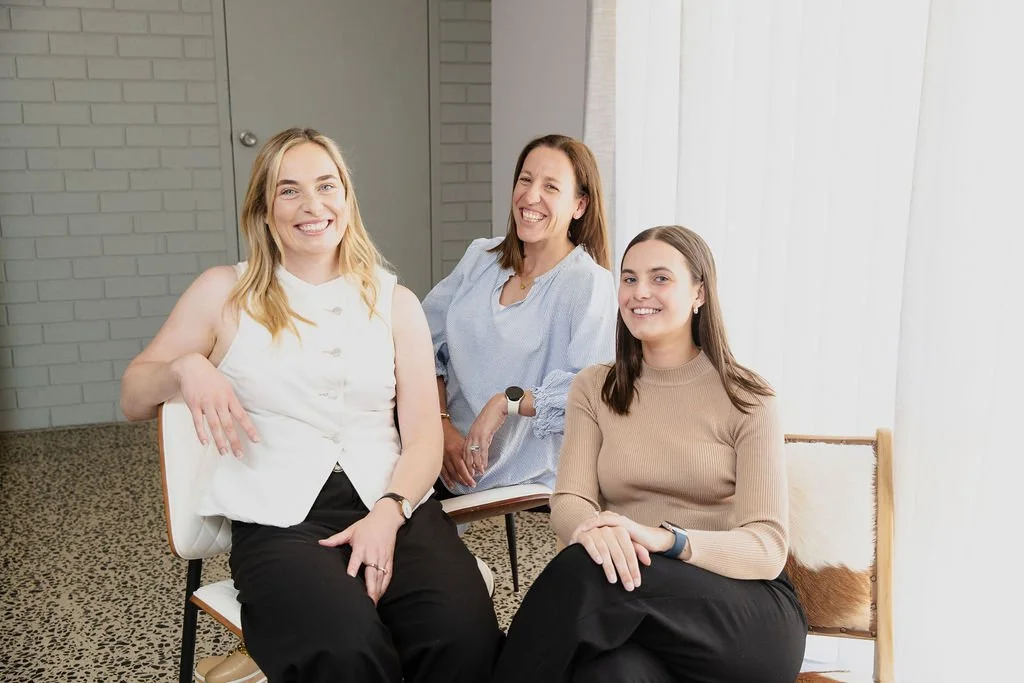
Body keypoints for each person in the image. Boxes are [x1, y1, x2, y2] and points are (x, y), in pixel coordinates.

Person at [120, 127, 501, 682]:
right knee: (345, 650)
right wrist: (185, 367)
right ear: (264, 210)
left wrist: (388, 516)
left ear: (346, 199)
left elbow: (422, 437)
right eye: (289, 190)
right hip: (281, 525)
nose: (313, 205)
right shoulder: (225, 293)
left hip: (394, 506)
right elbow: (133, 394)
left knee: (461, 635)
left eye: (326, 186)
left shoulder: (394, 302)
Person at [492, 226, 808, 683]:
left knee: (588, 573)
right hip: (633, 600)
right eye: (629, 278)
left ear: (699, 292)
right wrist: (591, 529)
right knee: (612, 673)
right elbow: (570, 501)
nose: (640, 293)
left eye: (661, 278)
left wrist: (665, 540)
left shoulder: (749, 398)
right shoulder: (593, 388)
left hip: (744, 616)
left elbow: (767, 547)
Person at [422, 134, 617, 497]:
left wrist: (506, 401)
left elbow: (593, 392)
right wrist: (441, 426)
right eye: (525, 180)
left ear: (579, 205)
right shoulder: (481, 257)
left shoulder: (587, 283)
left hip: (511, 474)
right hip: (432, 447)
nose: (530, 196)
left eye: (551, 187)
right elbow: (422, 344)